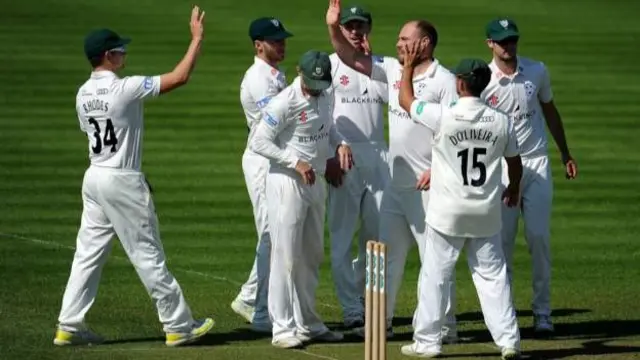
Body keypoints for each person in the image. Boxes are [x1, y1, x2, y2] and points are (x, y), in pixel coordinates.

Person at [54, 6, 214, 347]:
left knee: (87, 254)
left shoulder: (82, 93)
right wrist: (197, 39)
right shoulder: (125, 88)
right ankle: (178, 325)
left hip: (95, 176)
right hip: (121, 179)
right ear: (108, 56)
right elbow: (179, 77)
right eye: (120, 50)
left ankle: (69, 324)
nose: (125, 53)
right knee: (147, 253)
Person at [325, 0, 458, 340]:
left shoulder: (445, 81)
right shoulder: (393, 70)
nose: (397, 44)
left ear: (424, 43)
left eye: (404, 39)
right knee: (383, 258)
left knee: (434, 259)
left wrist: (438, 168)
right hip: (396, 187)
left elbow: (456, 133)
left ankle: (444, 326)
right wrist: (332, 26)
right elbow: (348, 56)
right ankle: (377, 323)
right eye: (398, 39)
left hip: (429, 187)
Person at [398, 52, 522, 360]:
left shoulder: (443, 114)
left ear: (460, 84)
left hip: (447, 212)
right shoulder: (502, 121)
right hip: (485, 212)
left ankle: (427, 343)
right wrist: (515, 188)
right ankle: (509, 342)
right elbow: (515, 164)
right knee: (493, 277)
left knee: (435, 275)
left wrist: (409, 67)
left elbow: (406, 100)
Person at [249, 50, 354, 349]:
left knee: (311, 254)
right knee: (285, 255)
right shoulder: (285, 101)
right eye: (311, 83)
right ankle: (281, 327)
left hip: (315, 180)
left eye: (321, 84)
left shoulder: (325, 93)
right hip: (286, 182)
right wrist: (294, 161)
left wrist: (341, 144)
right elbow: (259, 140)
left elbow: (327, 127)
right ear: (299, 72)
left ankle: (307, 322)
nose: (316, 90)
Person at [481, 18, 578, 334]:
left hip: (536, 165)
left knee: (538, 238)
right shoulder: (483, 80)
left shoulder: (536, 71)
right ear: (490, 44)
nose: (508, 46)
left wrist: (565, 153)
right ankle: (506, 316)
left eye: (512, 40)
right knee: (503, 243)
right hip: (502, 171)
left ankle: (542, 313)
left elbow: (550, 111)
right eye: (502, 41)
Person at [326, 4, 390, 329]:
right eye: (349, 26)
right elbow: (322, 114)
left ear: (368, 29)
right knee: (341, 236)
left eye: (359, 26)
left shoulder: (380, 66)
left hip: (379, 156)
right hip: (345, 158)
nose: (354, 31)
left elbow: (391, 101)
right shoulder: (330, 65)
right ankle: (350, 308)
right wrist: (335, 147)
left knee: (376, 236)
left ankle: (368, 298)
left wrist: (371, 62)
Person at [233, 16, 293, 333]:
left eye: (282, 39)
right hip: (260, 161)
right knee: (270, 233)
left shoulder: (275, 74)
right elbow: (279, 119)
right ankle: (259, 311)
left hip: (273, 159)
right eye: (275, 40)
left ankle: (248, 297)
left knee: (274, 233)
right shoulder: (258, 78)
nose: (282, 44)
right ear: (258, 45)